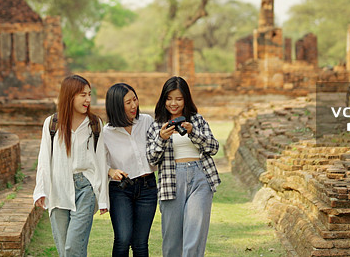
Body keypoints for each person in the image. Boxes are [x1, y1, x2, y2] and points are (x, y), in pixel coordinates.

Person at [33, 74, 108, 257]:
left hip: (86, 188)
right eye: (83, 95)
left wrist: (103, 198)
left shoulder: (94, 124)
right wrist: (41, 190)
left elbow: (101, 161)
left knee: (72, 248)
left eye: (89, 94)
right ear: (70, 95)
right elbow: (44, 159)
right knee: (63, 249)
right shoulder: (52, 124)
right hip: (57, 189)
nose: (88, 99)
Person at [146, 76, 220, 257]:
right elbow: (151, 159)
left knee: (194, 237)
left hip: (200, 177)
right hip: (171, 182)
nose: (174, 103)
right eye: (169, 98)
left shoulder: (197, 120)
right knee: (171, 242)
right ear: (163, 100)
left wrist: (192, 132)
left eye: (179, 98)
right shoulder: (156, 125)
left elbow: (213, 147)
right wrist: (162, 139)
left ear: (186, 99)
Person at [101, 83, 158, 257]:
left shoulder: (147, 121)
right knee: (123, 238)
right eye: (128, 102)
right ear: (117, 105)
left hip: (148, 187)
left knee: (140, 243)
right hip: (121, 189)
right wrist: (111, 171)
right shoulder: (106, 132)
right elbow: (97, 162)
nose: (134, 105)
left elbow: (158, 150)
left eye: (135, 99)